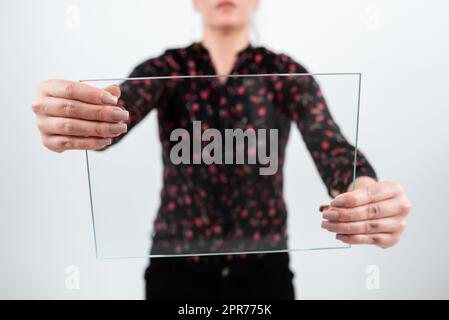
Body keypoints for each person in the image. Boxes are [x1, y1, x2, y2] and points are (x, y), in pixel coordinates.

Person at [31, 0, 411, 299]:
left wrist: (367, 193)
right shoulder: (168, 68)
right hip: (176, 270)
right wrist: (76, 117)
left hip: (264, 272)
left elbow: (333, 149)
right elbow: (112, 119)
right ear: (194, 1)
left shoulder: (285, 75)